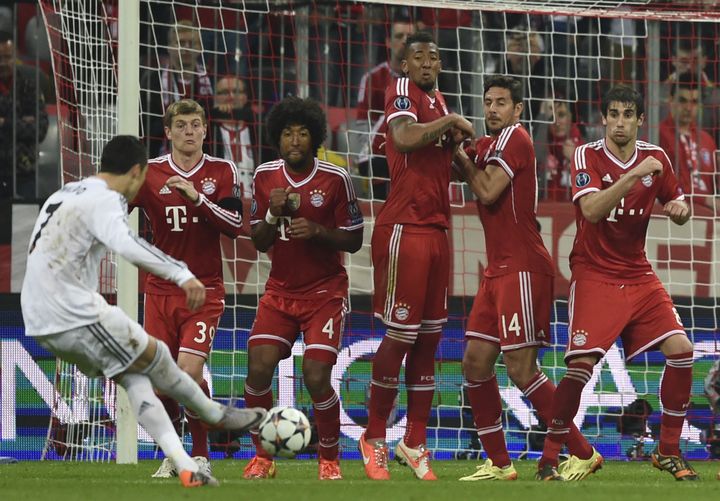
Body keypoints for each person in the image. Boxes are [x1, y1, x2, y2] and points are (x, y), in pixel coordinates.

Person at [20, 135, 264, 488]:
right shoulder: (105, 199)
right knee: (157, 357)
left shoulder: (66, 193)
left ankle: (184, 463)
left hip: (38, 318)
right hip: (73, 314)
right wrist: (181, 273)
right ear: (137, 172)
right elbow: (127, 244)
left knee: (136, 377)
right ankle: (215, 414)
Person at [537, 85, 696, 481]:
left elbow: (678, 201)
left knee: (682, 350)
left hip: (636, 273)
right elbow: (590, 210)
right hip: (594, 273)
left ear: (640, 120)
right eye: (614, 114)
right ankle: (549, 458)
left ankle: (668, 450)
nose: (620, 121)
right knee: (579, 368)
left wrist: (679, 210)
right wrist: (632, 176)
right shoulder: (586, 155)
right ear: (604, 118)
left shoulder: (656, 158)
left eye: (628, 114)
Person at [452, 75, 601, 482]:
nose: (493, 109)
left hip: (522, 266)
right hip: (496, 268)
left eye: (502, 102)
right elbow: (460, 157)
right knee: (475, 363)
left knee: (521, 370)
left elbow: (485, 190)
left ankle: (584, 452)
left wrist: (459, 155)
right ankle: (500, 464)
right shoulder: (488, 145)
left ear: (518, 110)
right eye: (488, 102)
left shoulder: (516, 139)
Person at [359, 31, 474, 481]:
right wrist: (450, 125)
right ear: (404, 66)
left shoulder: (442, 103)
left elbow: (460, 164)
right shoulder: (402, 93)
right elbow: (404, 138)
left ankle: (415, 440)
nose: (427, 63)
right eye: (418, 57)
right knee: (401, 337)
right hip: (404, 228)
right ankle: (373, 438)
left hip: (438, 230)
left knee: (429, 341)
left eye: (434, 57)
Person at [242, 96, 364, 481]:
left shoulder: (336, 178)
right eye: (287, 133)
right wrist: (273, 213)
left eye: (303, 133)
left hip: (324, 293)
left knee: (315, 375)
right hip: (280, 292)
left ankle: (329, 459)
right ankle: (262, 457)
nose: (295, 140)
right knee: (258, 370)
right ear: (277, 139)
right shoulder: (264, 177)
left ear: (314, 139)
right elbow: (259, 241)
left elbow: (355, 238)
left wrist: (317, 232)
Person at [131, 99, 244, 479]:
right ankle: (175, 454)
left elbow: (234, 224)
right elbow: (114, 209)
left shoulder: (220, 170)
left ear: (205, 130)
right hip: (161, 290)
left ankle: (200, 454)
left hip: (204, 289)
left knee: (187, 373)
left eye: (196, 125)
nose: (189, 132)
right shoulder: (150, 174)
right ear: (168, 132)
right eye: (181, 126)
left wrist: (198, 198)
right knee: (163, 382)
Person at [355, 17, 415, 200]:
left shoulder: (428, 79)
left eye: (410, 36)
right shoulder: (373, 78)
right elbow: (362, 128)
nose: (405, 40)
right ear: (388, 42)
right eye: (399, 36)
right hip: (380, 155)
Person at [141, 20, 213, 157]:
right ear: (169, 47)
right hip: (160, 154)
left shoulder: (211, 80)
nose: (186, 48)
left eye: (191, 44)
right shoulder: (152, 81)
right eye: (180, 43)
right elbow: (146, 125)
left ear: (199, 48)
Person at [0, 31, 49, 199]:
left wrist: (4, 122)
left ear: (16, 57)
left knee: (25, 225)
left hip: (23, 174)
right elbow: (30, 128)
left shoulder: (29, 85)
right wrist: (22, 122)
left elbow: (39, 130)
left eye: (7, 57)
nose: (3, 63)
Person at [659, 72, 717, 209]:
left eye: (694, 102)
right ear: (671, 100)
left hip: (708, 216)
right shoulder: (657, 135)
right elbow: (660, 184)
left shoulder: (707, 140)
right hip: (670, 214)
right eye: (682, 100)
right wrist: (706, 200)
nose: (688, 108)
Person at [210, 75, 257, 198]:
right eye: (224, 93)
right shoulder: (208, 132)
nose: (231, 97)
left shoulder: (258, 131)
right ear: (215, 97)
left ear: (245, 97)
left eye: (236, 92)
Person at [534, 99, 584, 201]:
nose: (556, 122)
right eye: (551, 117)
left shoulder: (583, 146)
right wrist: (543, 114)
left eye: (561, 115)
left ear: (570, 117)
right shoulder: (542, 142)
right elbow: (536, 157)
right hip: (544, 208)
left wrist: (575, 158)